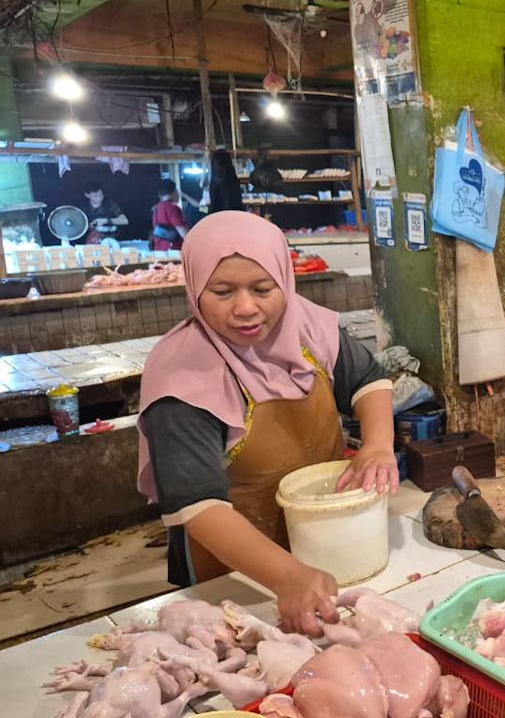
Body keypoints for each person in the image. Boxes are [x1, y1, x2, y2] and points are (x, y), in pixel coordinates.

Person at [136, 211, 397, 636]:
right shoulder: (182, 377)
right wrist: (286, 577)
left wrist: (378, 445)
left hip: (322, 538)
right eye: (221, 291)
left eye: (263, 289)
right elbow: (197, 505)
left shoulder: (307, 325)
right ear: (194, 287)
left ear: (285, 280)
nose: (245, 308)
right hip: (236, 566)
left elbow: (368, 380)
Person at [150, 181, 189, 251]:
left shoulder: (157, 208)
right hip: (173, 252)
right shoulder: (172, 208)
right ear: (175, 192)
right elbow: (184, 234)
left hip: (159, 251)